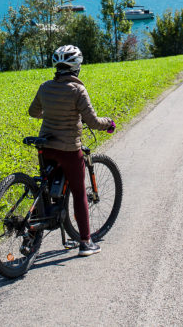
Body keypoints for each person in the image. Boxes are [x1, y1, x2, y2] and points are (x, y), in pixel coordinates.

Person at [28, 44, 115, 257]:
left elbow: (33, 112)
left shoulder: (45, 87)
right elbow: (93, 122)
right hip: (68, 150)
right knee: (79, 193)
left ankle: (34, 230)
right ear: (77, 67)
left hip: (47, 147)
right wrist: (109, 123)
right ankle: (86, 242)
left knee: (46, 188)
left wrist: (52, 115)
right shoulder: (77, 90)